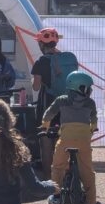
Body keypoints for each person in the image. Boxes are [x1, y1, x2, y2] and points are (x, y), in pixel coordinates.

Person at [42, 71, 101, 204]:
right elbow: (94, 121)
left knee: (57, 167)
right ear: (81, 87)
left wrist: (45, 126)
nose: (90, 90)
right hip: (84, 141)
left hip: (65, 140)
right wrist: (92, 129)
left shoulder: (61, 100)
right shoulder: (90, 103)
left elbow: (48, 114)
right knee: (87, 171)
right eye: (88, 87)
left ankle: (56, 197)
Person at [30, 27, 78, 177]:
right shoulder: (68, 58)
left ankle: (48, 180)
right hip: (67, 106)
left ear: (41, 44)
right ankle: (64, 178)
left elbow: (36, 87)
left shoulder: (41, 62)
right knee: (62, 142)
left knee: (46, 144)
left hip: (48, 105)